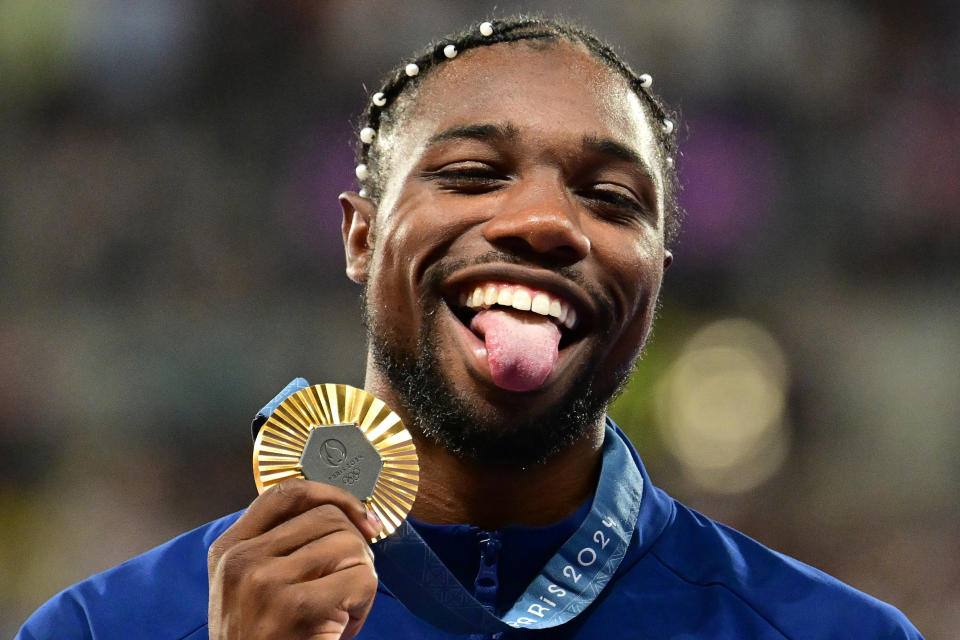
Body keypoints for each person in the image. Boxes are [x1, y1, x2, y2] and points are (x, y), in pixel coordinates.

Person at [17, 16, 922, 640]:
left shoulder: (828, 631)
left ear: (652, 282)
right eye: (473, 172)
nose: (546, 223)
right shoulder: (108, 626)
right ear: (361, 236)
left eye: (610, 198)